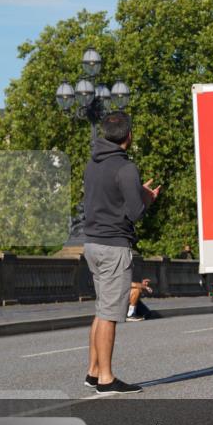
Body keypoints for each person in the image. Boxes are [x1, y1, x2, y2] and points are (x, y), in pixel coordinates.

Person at [82, 111, 159, 394]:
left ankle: (93, 372)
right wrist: (146, 197)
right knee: (110, 314)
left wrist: (134, 192)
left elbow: (107, 198)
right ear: (129, 135)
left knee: (102, 309)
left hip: (92, 243)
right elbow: (135, 212)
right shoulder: (126, 168)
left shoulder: (92, 163)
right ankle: (106, 379)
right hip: (114, 245)